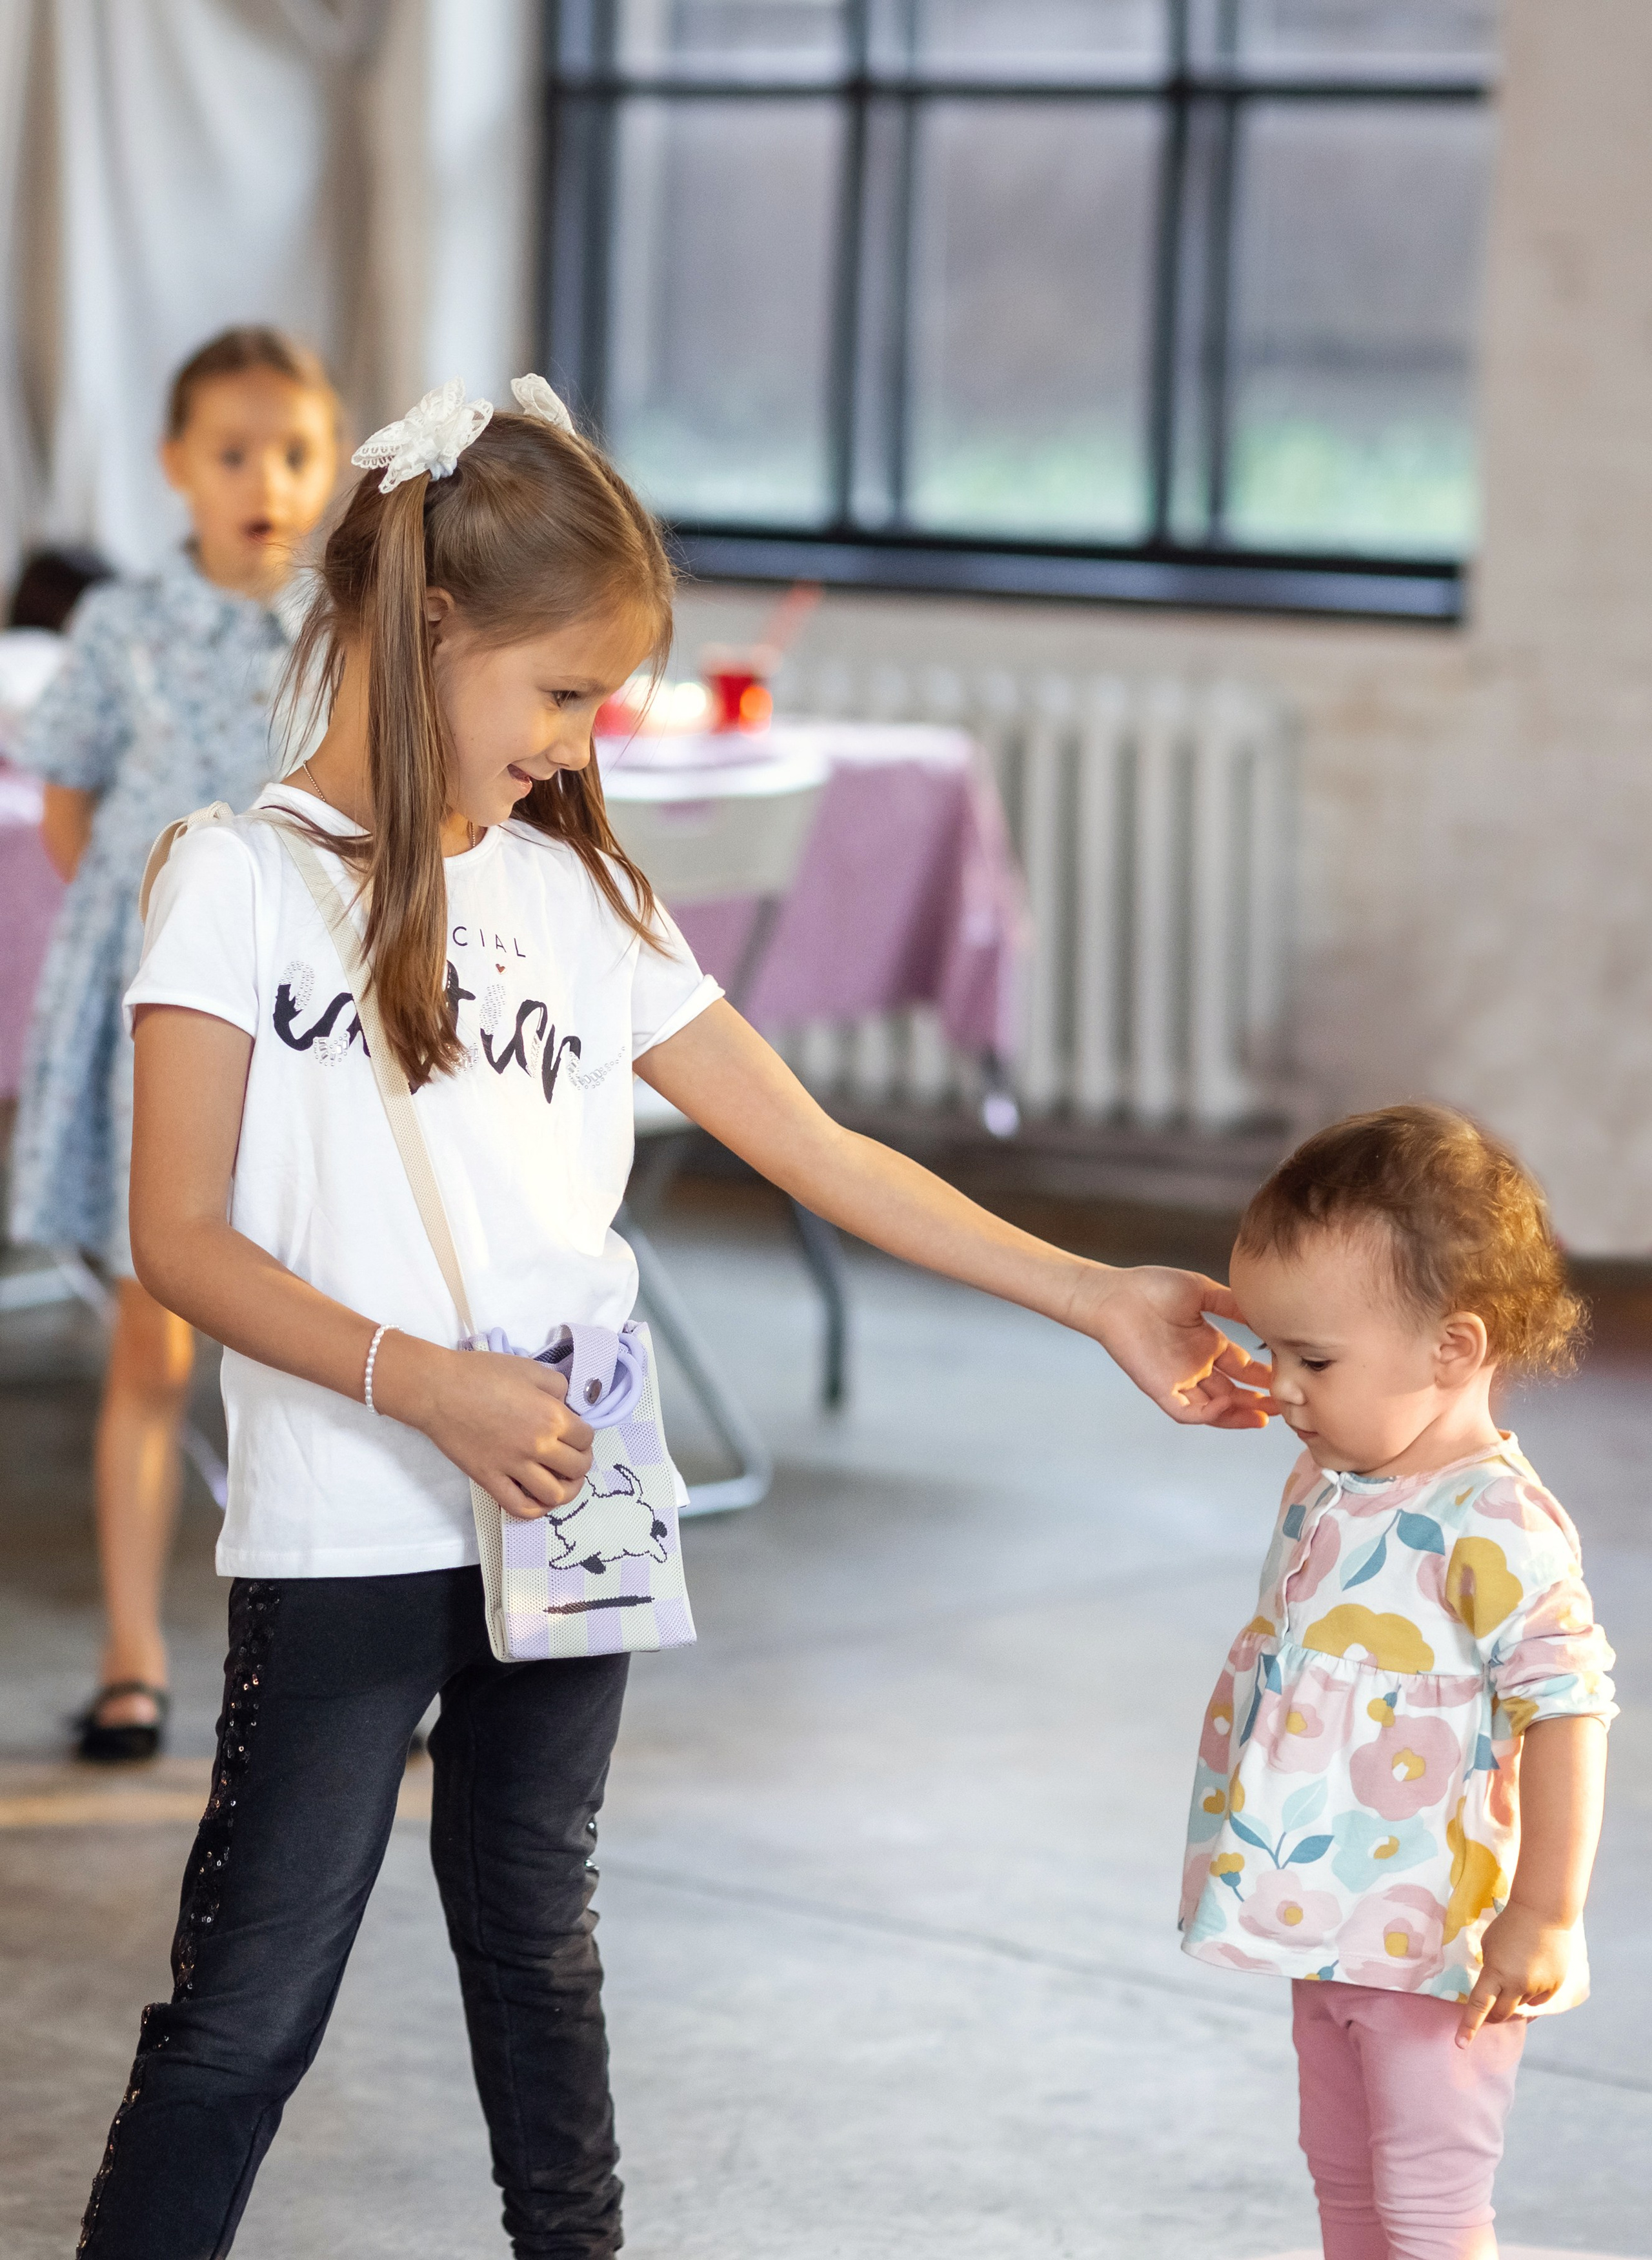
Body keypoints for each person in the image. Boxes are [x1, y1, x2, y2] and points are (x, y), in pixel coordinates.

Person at [76, 376, 1270, 2257]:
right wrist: (425, 1385)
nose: (576, 744)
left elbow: (817, 1147)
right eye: (561, 692)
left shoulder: (586, 897)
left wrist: (1090, 1286)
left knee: (539, 1942)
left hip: (581, 1493)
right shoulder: (231, 881)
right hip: (350, 1530)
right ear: (434, 628)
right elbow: (178, 1239)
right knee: (246, 2010)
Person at [1181, 1104, 1615, 2260]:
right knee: (1343, 2175)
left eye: (1312, 1359)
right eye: (1273, 1350)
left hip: (1439, 1943)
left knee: (1427, 2204)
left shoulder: (1497, 1522)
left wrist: (1547, 1911)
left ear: (1453, 1350)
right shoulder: (1328, 1477)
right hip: (1321, 1921)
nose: (1280, 1387)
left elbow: (1570, 1708)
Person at [8, 327, 339, 1762]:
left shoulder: (350, 627)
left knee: (332, 1330)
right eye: (231, 452)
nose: (263, 480)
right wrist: (147, 934)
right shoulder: (124, 626)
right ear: (174, 466)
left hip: (310, 1023)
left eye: (294, 452)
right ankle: (134, 1651)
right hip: (168, 1019)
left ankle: (351, 1662)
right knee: (154, 1340)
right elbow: (72, 794)